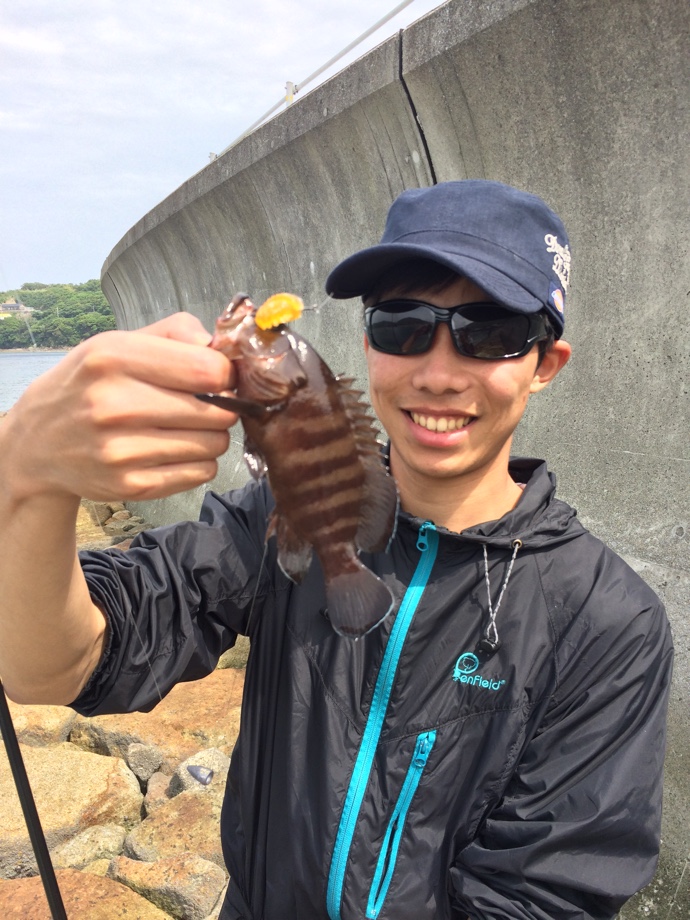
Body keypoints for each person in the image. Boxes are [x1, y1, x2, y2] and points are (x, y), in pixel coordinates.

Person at [0, 180, 673, 920]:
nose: (438, 373)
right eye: (402, 325)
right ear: (367, 344)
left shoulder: (610, 624)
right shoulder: (278, 515)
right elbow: (53, 667)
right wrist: (25, 477)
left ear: (545, 363)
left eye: (491, 332)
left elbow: (542, 897)